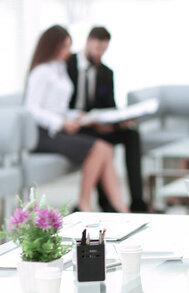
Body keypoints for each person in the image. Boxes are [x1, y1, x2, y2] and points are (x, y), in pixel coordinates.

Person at [24, 25, 129, 213]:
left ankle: (122, 208)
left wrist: (75, 116)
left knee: (105, 149)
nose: (68, 52)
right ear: (53, 46)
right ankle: (84, 203)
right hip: (43, 134)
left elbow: (58, 108)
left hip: (59, 129)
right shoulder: (41, 72)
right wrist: (61, 123)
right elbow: (32, 109)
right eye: (65, 47)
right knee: (98, 149)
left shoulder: (59, 68)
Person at [66, 26, 148, 213]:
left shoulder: (105, 72)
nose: (99, 54)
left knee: (131, 135)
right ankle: (107, 204)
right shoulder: (67, 65)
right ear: (87, 42)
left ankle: (137, 202)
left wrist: (119, 121)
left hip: (97, 125)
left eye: (103, 50)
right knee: (101, 144)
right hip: (75, 125)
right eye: (96, 49)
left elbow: (109, 106)